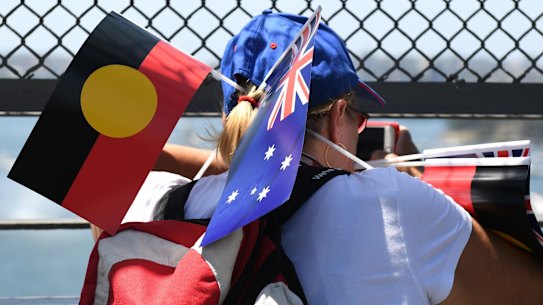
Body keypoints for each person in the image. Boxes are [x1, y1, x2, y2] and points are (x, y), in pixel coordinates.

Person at [112, 10, 543, 304]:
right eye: (357, 118)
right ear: (339, 114)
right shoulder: (395, 204)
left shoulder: (153, 206)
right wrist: (426, 192)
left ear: (231, 114)